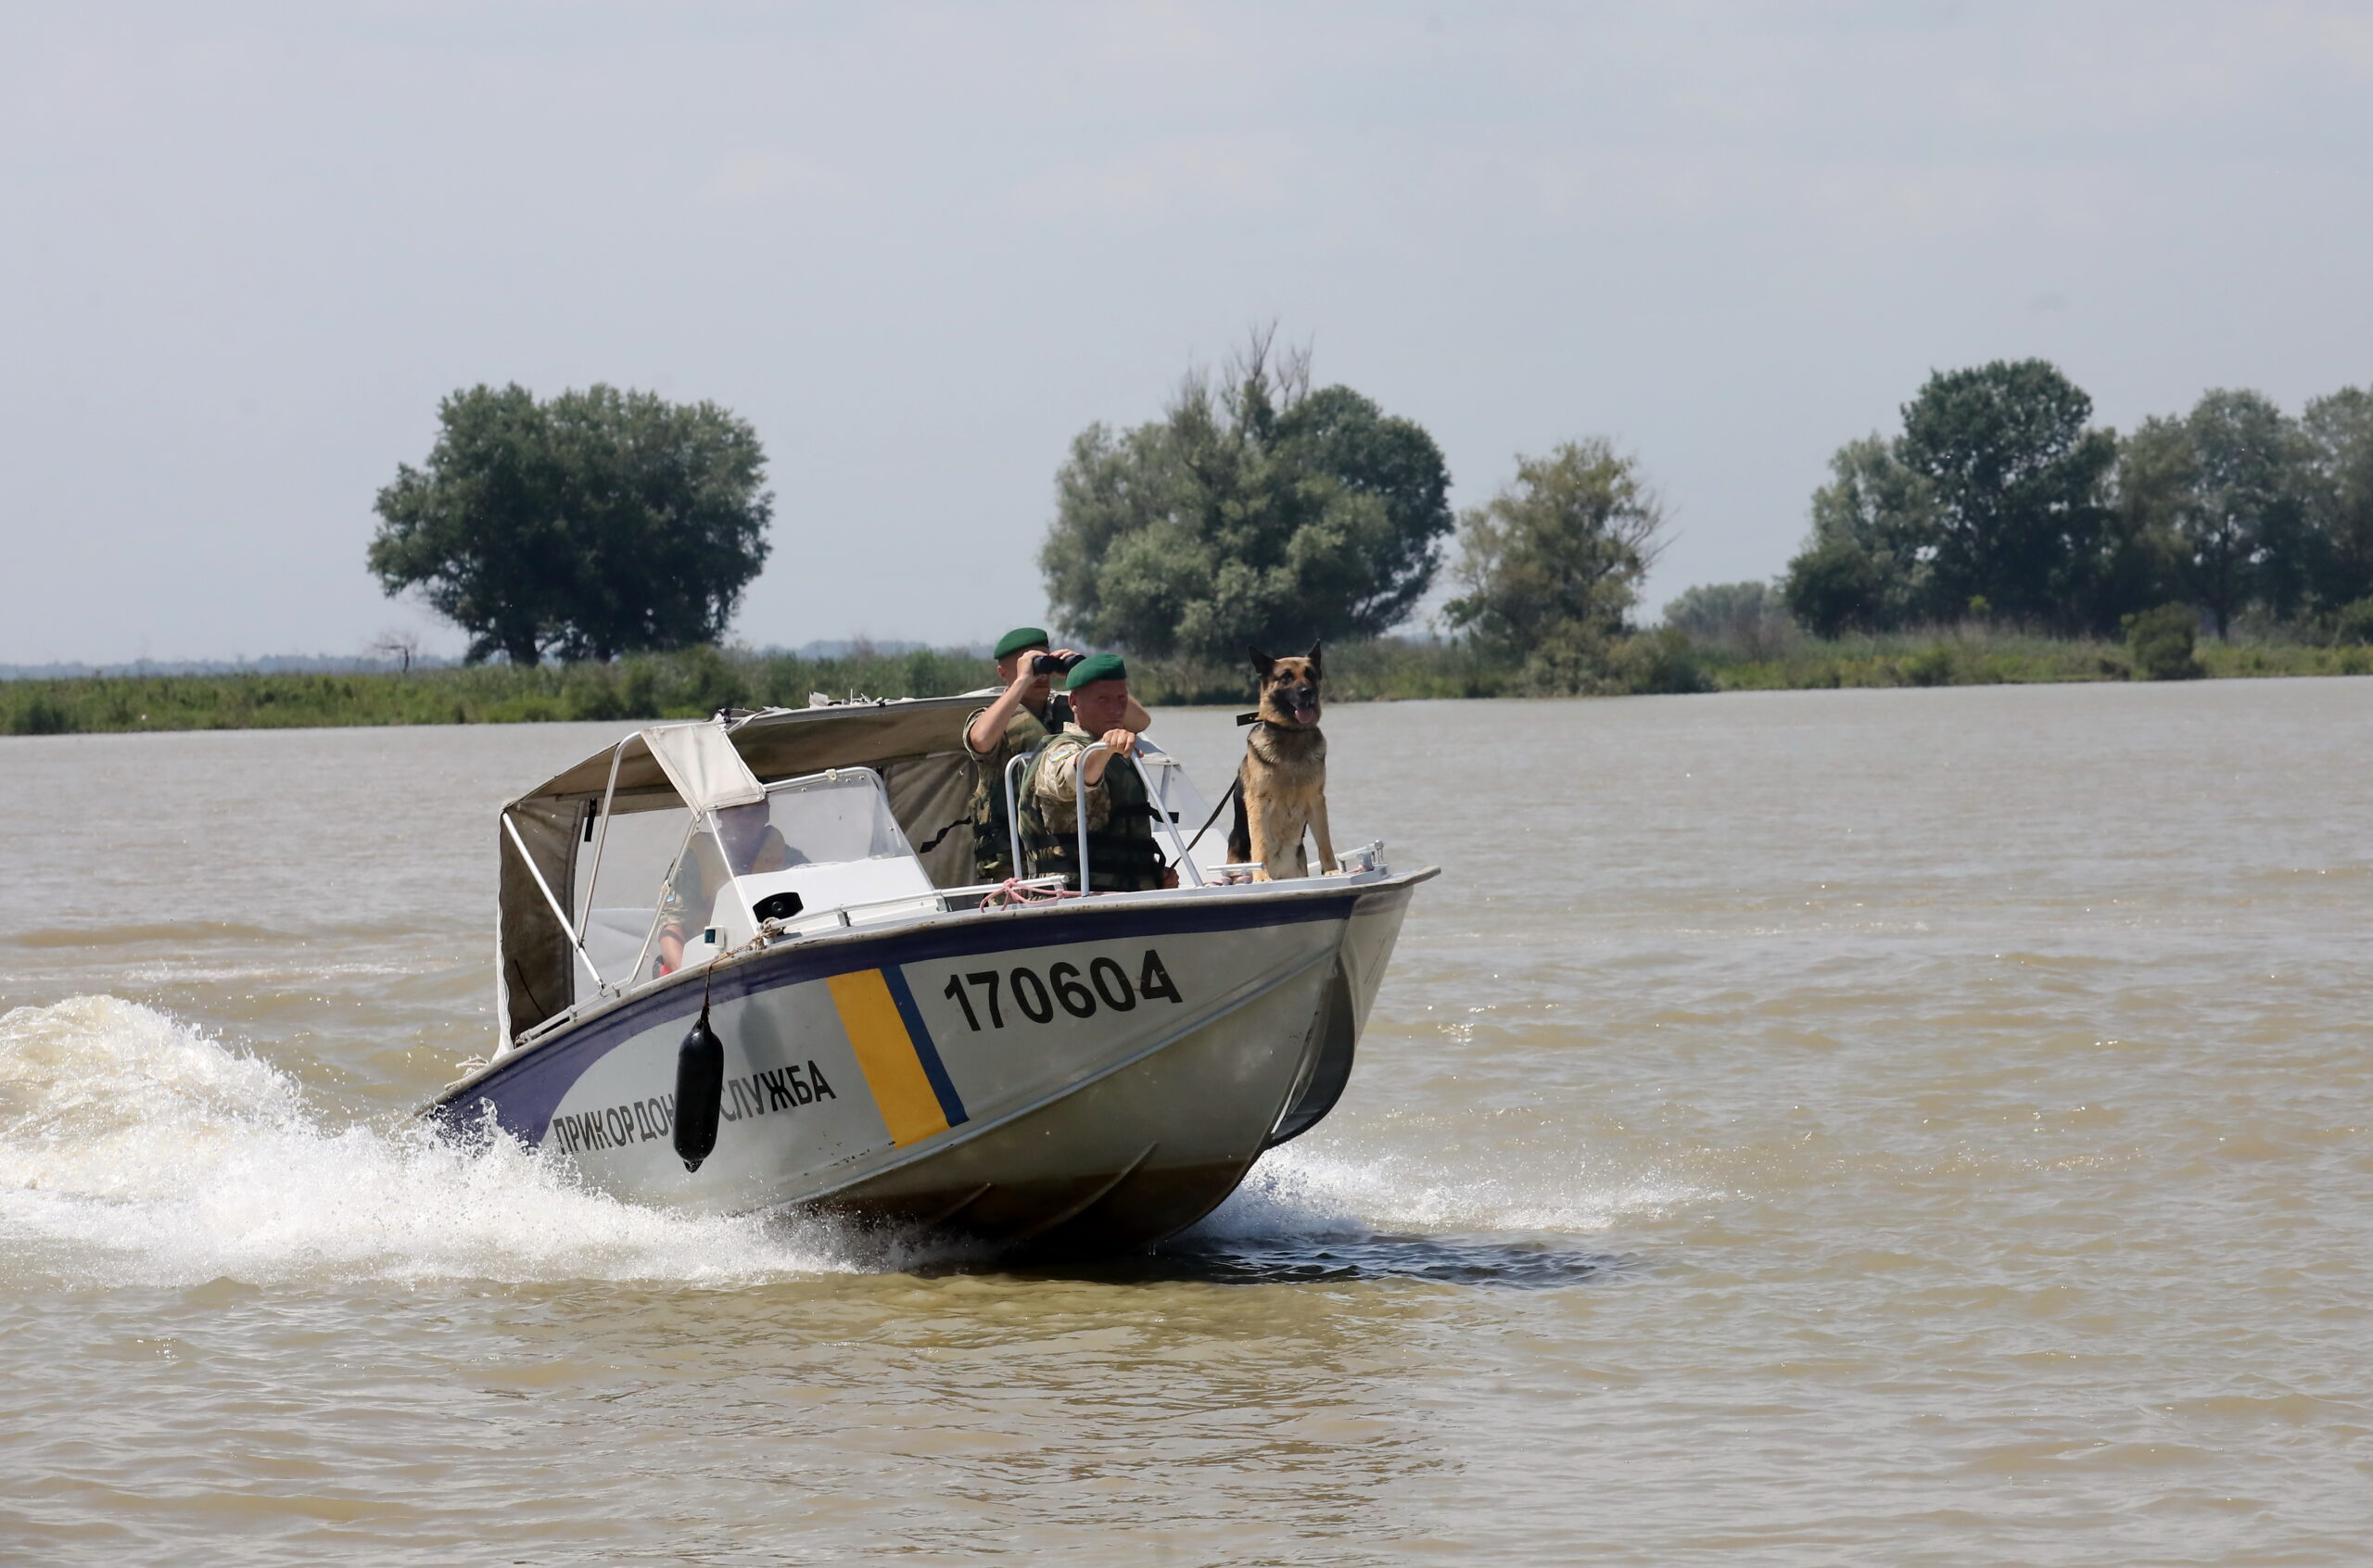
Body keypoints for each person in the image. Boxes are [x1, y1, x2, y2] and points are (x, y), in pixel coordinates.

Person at [962, 626, 1148, 882]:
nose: (1041, 675)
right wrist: (1022, 681)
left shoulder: (1071, 707)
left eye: (1045, 663)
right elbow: (981, 739)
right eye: (1032, 665)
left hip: (1069, 853)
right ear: (1003, 673)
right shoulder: (990, 718)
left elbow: (1140, 721)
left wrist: (1084, 673)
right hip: (1010, 859)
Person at [1018, 653, 1175, 893]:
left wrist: (1153, 875)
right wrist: (1105, 748)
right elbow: (1076, 775)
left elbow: (1142, 720)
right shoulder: (1061, 751)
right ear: (1074, 703)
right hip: (1073, 900)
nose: (1115, 709)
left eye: (1121, 698)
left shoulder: (1116, 752)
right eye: (1102, 699)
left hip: (1131, 897)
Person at [654, 801, 794, 973]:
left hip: (781, 961)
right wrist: (688, 975)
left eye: (755, 811)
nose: (745, 819)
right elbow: (670, 925)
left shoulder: (790, 859)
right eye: (736, 809)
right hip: (712, 967)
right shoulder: (692, 862)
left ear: (766, 814)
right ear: (720, 812)